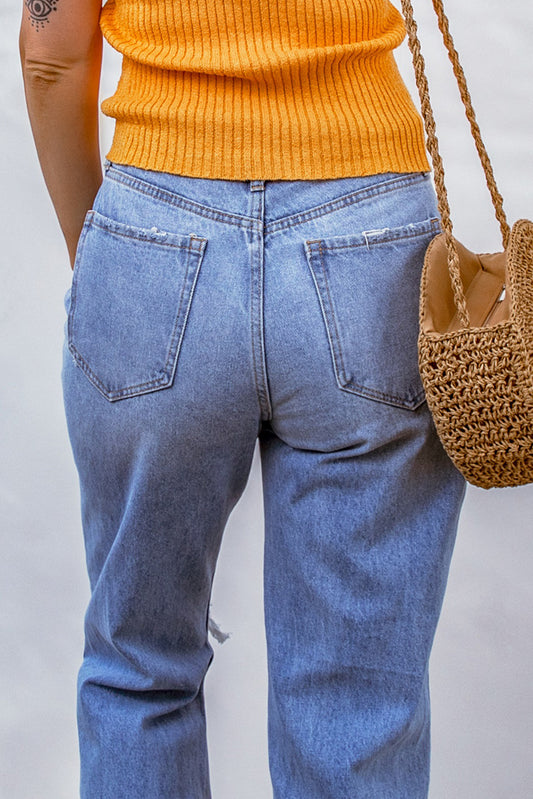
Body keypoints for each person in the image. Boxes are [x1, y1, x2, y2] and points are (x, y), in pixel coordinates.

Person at [19, 0, 466, 796]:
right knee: (358, 706)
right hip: (366, 240)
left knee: (136, 671)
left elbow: (50, 49)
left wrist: (106, 255)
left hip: (154, 232)